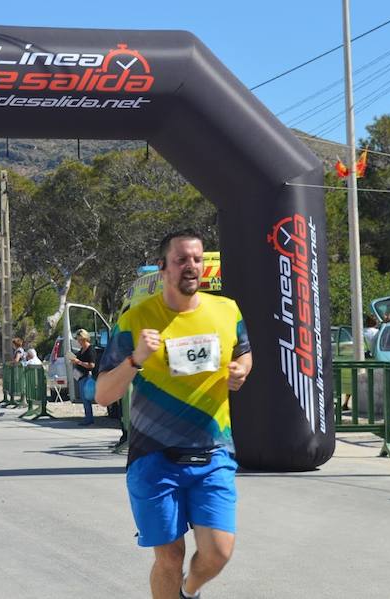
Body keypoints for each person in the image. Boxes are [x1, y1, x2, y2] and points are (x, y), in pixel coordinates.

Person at [96, 229, 252, 599]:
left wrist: (242, 369)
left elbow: (244, 351)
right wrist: (136, 359)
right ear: (163, 268)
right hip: (154, 457)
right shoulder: (136, 319)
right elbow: (103, 393)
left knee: (219, 551)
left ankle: (188, 591)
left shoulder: (227, 311)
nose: (191, 266)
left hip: (213, 452)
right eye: (182, 259)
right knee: (169, 556)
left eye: (197, 259)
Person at [70, 329, 97, 426]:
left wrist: (79, 362)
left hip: (87, 376)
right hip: (81, 376)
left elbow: (92, 365)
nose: (78, 342)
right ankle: (88, 417)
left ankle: (89, 418)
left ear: (84, 339)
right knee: (84, 398)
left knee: (86, 398)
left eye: (79, 340)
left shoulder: (90, 349)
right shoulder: (82, 350)